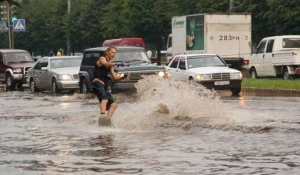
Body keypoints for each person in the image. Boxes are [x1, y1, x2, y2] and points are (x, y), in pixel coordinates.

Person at [92, 46, 128, 124]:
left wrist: (123, 77)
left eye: (115, 53)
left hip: (103, 86)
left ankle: (107, 120)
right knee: (104, 99)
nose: (113, 54)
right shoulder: (102, 59)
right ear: (107, 52)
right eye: (112, 52)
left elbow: (115, 78)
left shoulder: (110, 66)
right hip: (96, 83)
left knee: (114, 104)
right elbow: (106, 64)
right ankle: (102, 117)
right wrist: (118, 64)